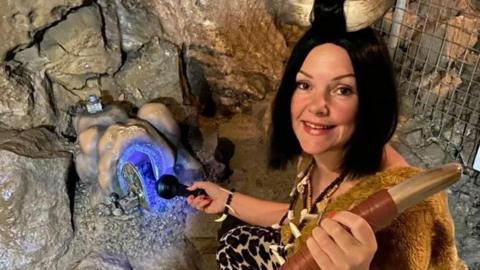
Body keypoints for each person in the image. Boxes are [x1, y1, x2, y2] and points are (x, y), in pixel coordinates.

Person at [187, 0, 466, 269]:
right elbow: (304, 221)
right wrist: (227, 199)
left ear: (371, 101)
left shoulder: (406, 212)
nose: (317, 106)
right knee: (235, 242)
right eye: (305, 84)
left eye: (342, 90)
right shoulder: (321, 152)